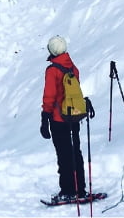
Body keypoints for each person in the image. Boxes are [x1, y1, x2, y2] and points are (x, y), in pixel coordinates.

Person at [40, 35, 94, 202]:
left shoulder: (52, 70)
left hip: (59, 118)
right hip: (74, 116)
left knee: (63, 154)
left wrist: (45, 118)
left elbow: (49, 96)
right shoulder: (72, 67)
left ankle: (67, 190)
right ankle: (80, 188)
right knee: (76, 152)